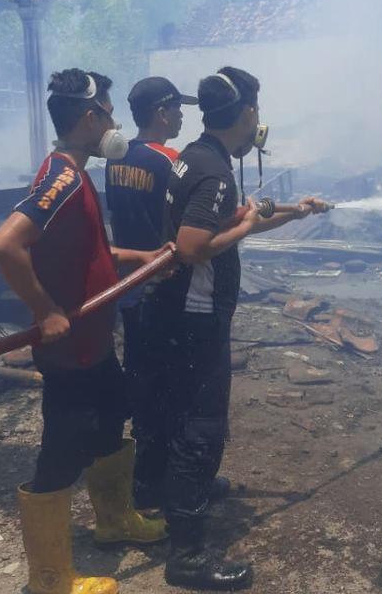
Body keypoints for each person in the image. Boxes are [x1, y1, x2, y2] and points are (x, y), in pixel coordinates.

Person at [0, 68, 171, 594]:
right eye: (109, 113)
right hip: (70, 351)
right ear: (90, 118)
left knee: (113, 424)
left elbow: (87, 252)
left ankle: (115, 524)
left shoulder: (75, 172)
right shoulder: (63, 178)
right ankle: (50, 579)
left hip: (95, 344)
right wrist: (45, 309)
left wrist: (139, 256)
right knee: (62, 454)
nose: (114, 122)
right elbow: (6, 245)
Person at [150, 66, 330, 590]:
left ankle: (185, 496)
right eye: (259, 110)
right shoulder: (214, 172)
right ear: (249, 114)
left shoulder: (198, 156)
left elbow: (231, 218)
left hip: (183, 314)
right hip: (196, 318)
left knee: (186, 420)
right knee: (201, 430)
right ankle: (186, 559)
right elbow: (191, 247)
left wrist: (293, 212)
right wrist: (250, 224)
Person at [104, 76, 231, 512]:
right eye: (177, 109)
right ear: (161, 113)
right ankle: (166, 486)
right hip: (165, 289)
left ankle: (148, 483)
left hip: (129, 289)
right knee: (175, 393)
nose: (182, 116)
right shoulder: (172, 162)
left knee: (144, 389)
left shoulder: (117, 160)